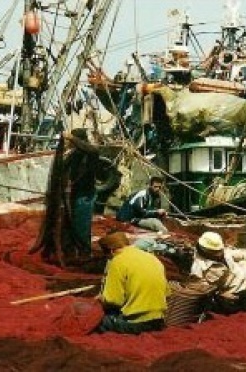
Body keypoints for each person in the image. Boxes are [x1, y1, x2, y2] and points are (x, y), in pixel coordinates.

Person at [95, 231, 168, 334]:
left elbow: (113, 301)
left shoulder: (117, 261)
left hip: (135, 323)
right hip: (158, 321)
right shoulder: (152, 258)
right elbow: (167, 293)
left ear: (111, 251)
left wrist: (101, 299)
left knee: (95, 321)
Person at [189, 231, 246, 313]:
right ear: (206, 251)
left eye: (220, 250)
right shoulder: (198, 268)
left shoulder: (225, 252)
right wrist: (220, 294)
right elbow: (202, 290)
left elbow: (244, 255)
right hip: (240, 293)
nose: (220, 254)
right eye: (216, 252)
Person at [63, 128, 100, 257]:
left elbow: (92, 149)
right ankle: (76, 250)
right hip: (75, 194)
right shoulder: (74, 154)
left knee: (82, 225)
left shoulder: (91, 153)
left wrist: (72, 138)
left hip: (85, 195)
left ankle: (84, 252)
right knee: (73, 224)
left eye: (72, 140)